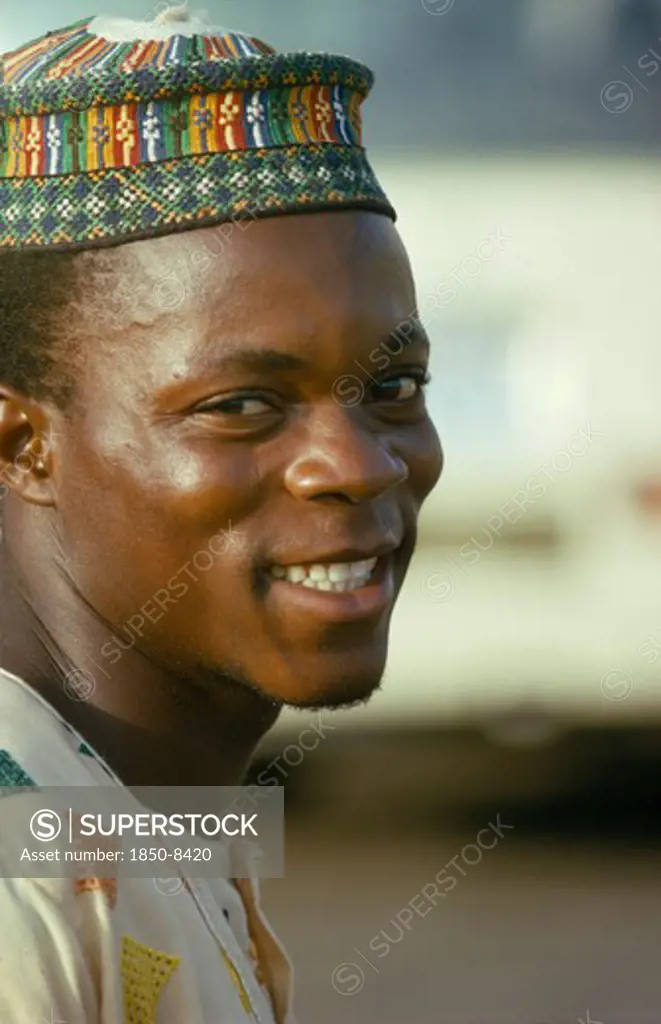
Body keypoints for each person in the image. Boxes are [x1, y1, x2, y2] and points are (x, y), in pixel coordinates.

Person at [0, 5, 443, 1022]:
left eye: (394, 388)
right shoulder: (26, 889)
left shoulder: (134, 827)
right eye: (242, 406)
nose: (357, 466)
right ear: (22, 444)